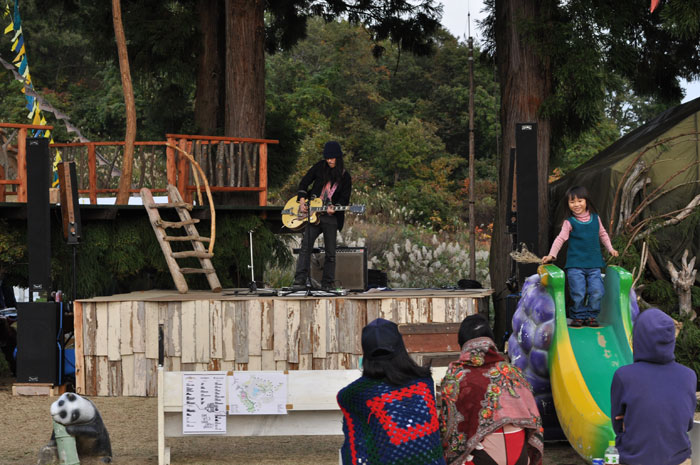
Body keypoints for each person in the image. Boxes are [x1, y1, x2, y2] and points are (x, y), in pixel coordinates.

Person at [337, 318, 446, 465]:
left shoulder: (353, 394)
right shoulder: (424, 382)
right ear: (401, 349)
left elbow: (356, 446)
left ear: (366, 354)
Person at [439, 314, 543, 465]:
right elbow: (534, 421)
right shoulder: (512, 373)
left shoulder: (456, 377)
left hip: (480, 458)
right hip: (520, 456)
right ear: (491, 341)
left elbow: (448, 430)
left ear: (463, 344)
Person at [610, 308, 697, 465]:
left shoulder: (624, 376)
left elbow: (618, 426)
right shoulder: (689, 376)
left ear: (639, 338)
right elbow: (687, 422)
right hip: (679, 460)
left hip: (634, 459)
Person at [542, 185, 619, 327]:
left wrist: (610, 249)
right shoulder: (569, 222)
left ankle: (591, 316)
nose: (576, 204)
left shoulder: (595, 218)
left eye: (579, 201)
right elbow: (560, 239)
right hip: (575, 265)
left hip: (594, 264)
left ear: (586, 201)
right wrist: (551, 255)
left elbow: (603, 234)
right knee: (578, 292)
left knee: (597, 291)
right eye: (572, 202)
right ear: (568, 204)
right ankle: (578, 316)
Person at [293, 140, 352, 290]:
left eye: (332, 158)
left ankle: (327, 284)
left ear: (338, 158)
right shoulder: (319, 167)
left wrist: (335, 207)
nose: (329, 161)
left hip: (330, 218)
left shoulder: (345, 176)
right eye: (327, 158)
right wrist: (302, 201)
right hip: (313, 214)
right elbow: (304, 183)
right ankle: (299, 280)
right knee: (305, 247)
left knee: (330, 253)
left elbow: (345, 198)